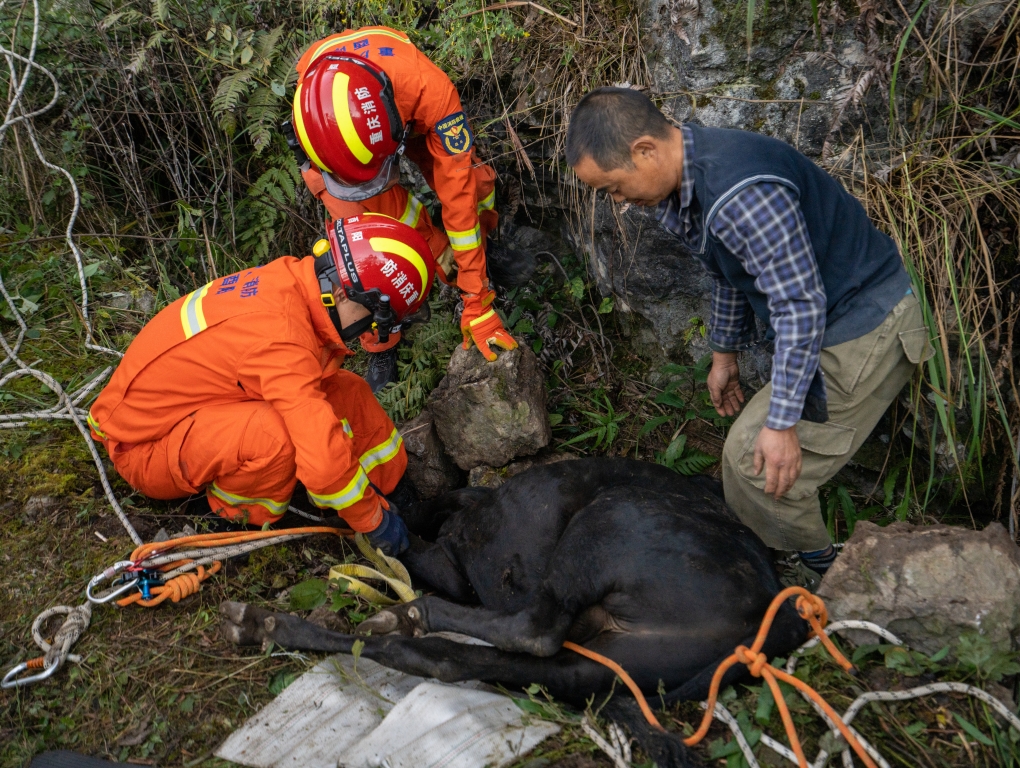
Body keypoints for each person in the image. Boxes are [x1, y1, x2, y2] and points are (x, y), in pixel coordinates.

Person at [565, 87, 932, 574]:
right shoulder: (691, 179)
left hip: (866, 323)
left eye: (611, 186)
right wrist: (724, 355)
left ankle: (829, 579)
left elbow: (799, 306)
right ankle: (798, 559)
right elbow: (729, 271)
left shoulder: (739, 194)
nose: (618, 201)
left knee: (754, 465)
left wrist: (781, 426)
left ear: (645, 151)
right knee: (749, 456)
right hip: (832, 318)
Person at [87, 214, 439, 555]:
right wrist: (371, 521)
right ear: (347, 294)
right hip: (140, 448)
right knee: (275, 437)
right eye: (375, 319)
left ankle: (396, 491)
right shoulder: (283, 339)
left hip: (184, 411)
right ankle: (235, 520)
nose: (371, 332)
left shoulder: (293, 282)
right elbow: (323, 462)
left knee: (350, 391)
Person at [288, 25, 518, 391]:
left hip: (410, 112)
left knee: (473, 188)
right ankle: (381, 343)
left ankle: (483, 252)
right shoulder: (316, 115)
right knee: (362, 250)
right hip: (347, 154)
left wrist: (476, 297)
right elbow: (323, 184)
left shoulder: (433, 95)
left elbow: (456, 195)